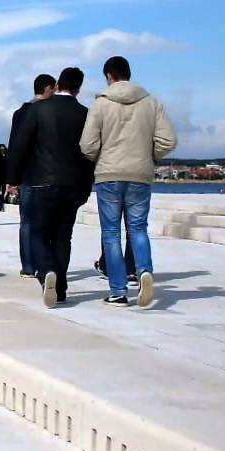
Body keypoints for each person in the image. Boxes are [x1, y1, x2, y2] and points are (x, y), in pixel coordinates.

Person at [80, 55, 177, 308]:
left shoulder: (100, 104)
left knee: (111, 234)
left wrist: (100, 158)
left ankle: (118, 292)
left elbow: (87, 144)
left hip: (108, 175)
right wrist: (149, 155)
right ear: (128, 74)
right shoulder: (151, 102)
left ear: (108, 76)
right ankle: (144, 271)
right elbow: (168, 140)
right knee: (138, 228)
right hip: (140, 175)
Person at [8, 67, 93, 308]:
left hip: (39, 181)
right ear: (79, 87)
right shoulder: (85, 114)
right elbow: (90, 152)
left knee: (38, 232)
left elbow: (20, 146)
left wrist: (13, 178)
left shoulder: (37, 109)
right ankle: (61, 288)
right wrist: (87, 185)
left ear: (57, 85)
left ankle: (46, 272)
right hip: (73, 183)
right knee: (63, 237)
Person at [8, 73, 57, 277]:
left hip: (26, 174)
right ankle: (45, 265)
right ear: (47, 88)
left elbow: (14, 147)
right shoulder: (50, 111)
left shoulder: (20, 113)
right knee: (46, 221)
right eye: (54, 89)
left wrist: (12, 178)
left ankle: (28, 266)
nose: (55, 93)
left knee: (26, 221)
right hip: (46, 174)